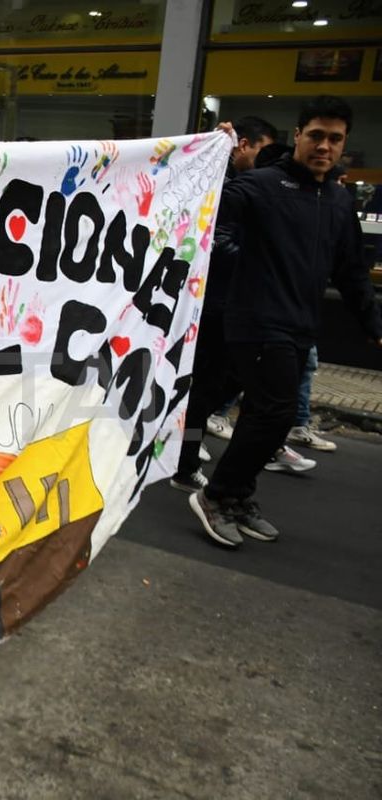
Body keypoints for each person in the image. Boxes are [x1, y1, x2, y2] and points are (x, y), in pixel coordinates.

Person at [190, 96, 382, 548]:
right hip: (254, 320)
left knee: (266, 416)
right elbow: (206, 210)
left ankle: (237, 496)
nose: (324, 146)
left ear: (344, 144)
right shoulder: (260, 185)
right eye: (316, 136)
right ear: (298, 136)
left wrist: (373, 324)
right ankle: (214, 495)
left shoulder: (338, 201)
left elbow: (352, 271)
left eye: (334, 139)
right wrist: (214, 158)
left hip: (300, 324)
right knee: (276, 414)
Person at [170, 116, 278, 493]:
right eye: (262, 151)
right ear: (243, 146)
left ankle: (183, 443)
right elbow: (218, 240)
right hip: (216, 308)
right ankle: (184, 459)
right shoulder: (229, 188)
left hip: (233, 308)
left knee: (213, 388)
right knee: (204, 389)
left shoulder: (253, 188)